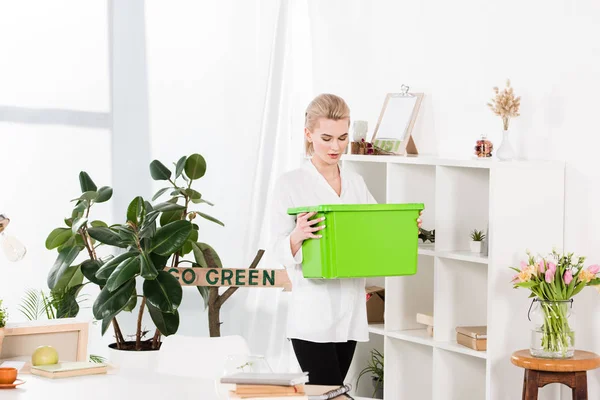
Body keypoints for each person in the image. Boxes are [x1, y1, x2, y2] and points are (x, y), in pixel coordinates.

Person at [270, 93, 422, 386]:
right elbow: (277, 249)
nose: (335, 147)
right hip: (311, 317)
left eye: (342, 138)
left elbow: (376, 229)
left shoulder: (355, 182)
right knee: (332, 394)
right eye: (326, 138)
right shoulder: (290, 183)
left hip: (350, 316)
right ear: (308, 134)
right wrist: (298, 235)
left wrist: (405, 227)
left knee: (332, 392)